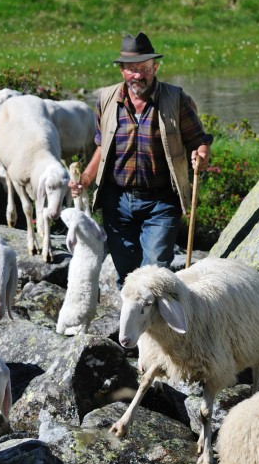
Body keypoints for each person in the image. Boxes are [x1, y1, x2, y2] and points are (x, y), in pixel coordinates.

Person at [69, 32, 212, 286]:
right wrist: (87, 178)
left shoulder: (176, 99)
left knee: (154, 274)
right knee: (127, 276)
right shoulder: (107, 99)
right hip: (118, 202)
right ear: (122, 71)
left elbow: (199, 140)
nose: (138, 75)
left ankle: (156, 325)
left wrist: (200, 156)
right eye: (132, 69)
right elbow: (102, 147)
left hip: (161, 202)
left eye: (144, 68)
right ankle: (134, 323)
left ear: (155, 68)